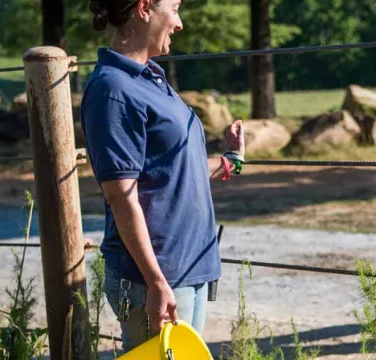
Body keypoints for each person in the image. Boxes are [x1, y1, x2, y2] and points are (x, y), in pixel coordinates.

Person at [81, 0, 245, 352]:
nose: (180, 22)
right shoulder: (113, 90)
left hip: (189, 267)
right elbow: (120, 195)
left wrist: (229, 160)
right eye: (174, 8)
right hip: (156, 276)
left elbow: (171, 170)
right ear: (144, 8)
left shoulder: (151, 77)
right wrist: (156, 282)